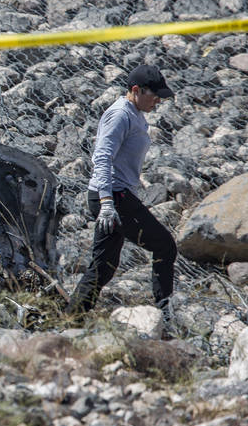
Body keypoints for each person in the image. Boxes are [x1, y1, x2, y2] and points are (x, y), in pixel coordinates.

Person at [66, 64, 178, 318]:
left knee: (103, 267)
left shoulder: (135, 113)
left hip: (118, 195)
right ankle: (165, 314)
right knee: (165, 246)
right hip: (112, 197)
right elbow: (102, 158)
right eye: (154, 95)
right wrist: (106, 203)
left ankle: (71, 320)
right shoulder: (120, 115)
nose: (158, 101)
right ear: (136, 90)